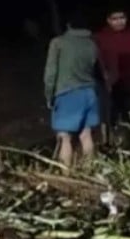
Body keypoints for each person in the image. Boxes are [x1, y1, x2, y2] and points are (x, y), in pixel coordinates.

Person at [44, 12, 103, 166]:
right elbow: (98, 70)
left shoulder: (58, 43)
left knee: (65, 137)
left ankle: (66, 172)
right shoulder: (92, 44)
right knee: (86, 134)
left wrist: (49, 96)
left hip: (67, 93)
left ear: (69, 25)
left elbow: (50, 73)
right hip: (89, 92)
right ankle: (90, 169)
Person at [94, 8, 130, 145]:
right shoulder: (100, 37)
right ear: (108, 20)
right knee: (109, 116)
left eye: (122, 18)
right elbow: (96, 60)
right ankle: (109, 144)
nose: (119, 22)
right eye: (115, 19)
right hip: (109, 84)